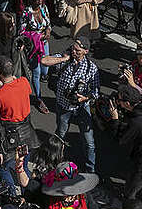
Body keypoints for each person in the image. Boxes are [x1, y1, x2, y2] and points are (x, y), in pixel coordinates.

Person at [40, 36, 100, 173]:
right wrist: (64, 59)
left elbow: (96, 91)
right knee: (60, 134)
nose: (74, 52)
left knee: (89, 142)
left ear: (86, 51)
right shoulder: (65, 58)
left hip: (81, 107)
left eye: (78, 51)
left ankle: (91, 170)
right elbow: (44, 61)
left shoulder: (91, 68)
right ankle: (52, 161)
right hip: (63, 105)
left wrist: (85, 98)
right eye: (73, 48)